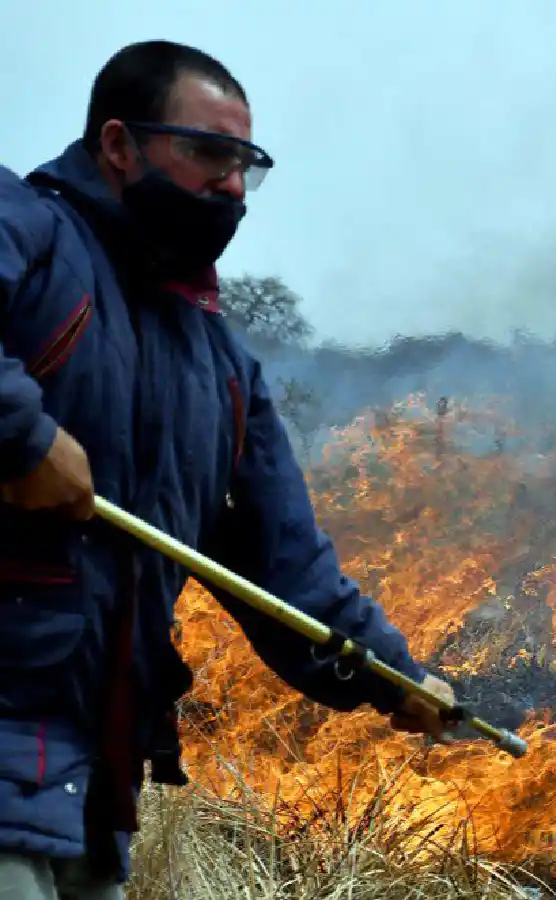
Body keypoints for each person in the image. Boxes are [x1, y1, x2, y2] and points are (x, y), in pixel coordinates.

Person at [0, 40, 457, 899]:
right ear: (120, 144)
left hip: (96, 780)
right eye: (210, 153)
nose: (233, 186)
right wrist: (21, 438)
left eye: (247, 165)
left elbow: (289, 568)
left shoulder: (222, 369)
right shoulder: (29, 231)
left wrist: (393, 675)